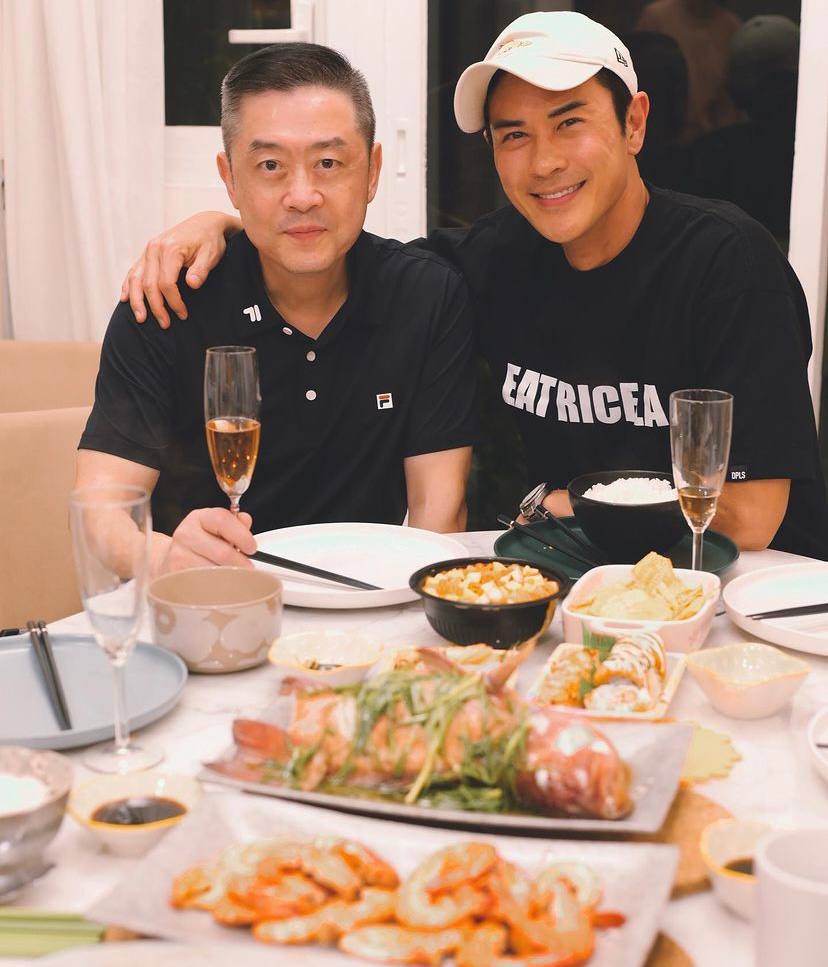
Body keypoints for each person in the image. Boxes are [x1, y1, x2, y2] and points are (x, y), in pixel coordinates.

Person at [120, 11, 828, 560]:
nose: (543, 162)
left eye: (569, 123)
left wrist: (568, 506)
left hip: (752, 592)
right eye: (513, 135)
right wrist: (228, 223)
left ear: (634, 122)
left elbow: (749, 516)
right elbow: (330, 248)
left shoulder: (729, 267)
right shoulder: (483, 262)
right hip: (568, 581)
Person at [77, 43, 478, 576]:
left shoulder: (425, 296)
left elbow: (439, 514)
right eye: (270, 166)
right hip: (209, 600)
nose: (302, 195)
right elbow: (100, 513)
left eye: (328, 163)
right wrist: (169, 559)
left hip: (363, 604)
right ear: (230, 179)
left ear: (372, 171)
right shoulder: (168, 300)